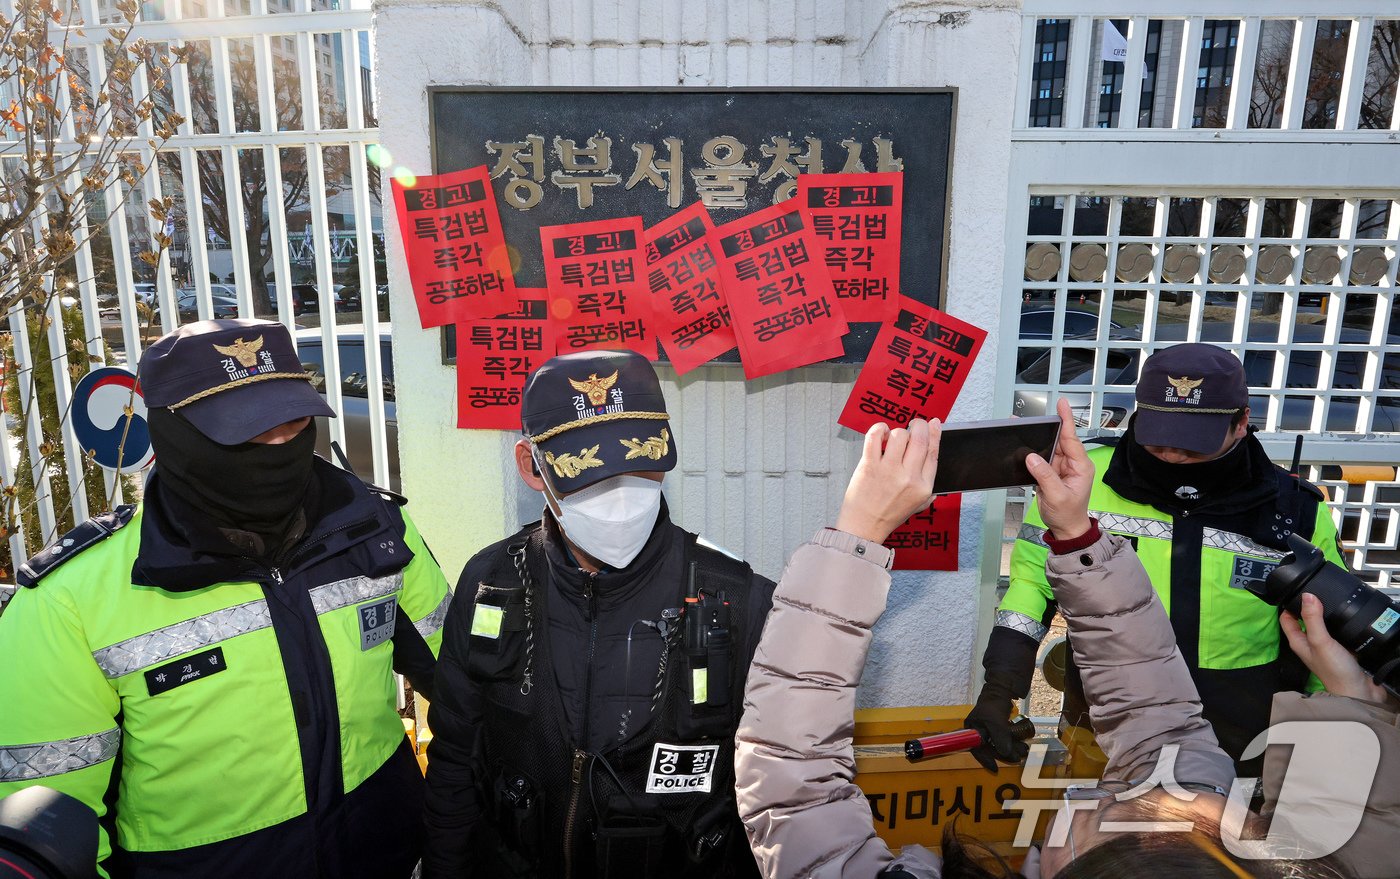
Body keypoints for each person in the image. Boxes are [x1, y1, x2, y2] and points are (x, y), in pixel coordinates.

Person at [734, 400, 1399, 878]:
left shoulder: (1293, 502)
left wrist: (859, 531)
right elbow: (1163, 729)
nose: (1093, 801)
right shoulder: (1327, 861)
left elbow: (792, 787)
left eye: (1097, 817)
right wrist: (1076, 538)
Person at [0, 319, 451, 878]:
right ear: (172, 436)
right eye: (247, 431)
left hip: (388, 856)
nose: (281, 445)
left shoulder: (377, 532)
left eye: (294, 419)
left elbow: (466, 687)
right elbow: (43, 829)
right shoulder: (67, 603)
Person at [422, 349, 776, 879]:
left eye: (638, 458)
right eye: (587, 465)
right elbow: (454, 759)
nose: (619, 488)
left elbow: (778, 790)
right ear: (531, 467)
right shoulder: (490, 583)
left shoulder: (738, 600)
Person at [970, 343, 1345, 774]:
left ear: (1241, 423)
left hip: (1245, 734)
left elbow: (1324, 630)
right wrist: (1000, 687)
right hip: (1105, 720)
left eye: (1191, 445)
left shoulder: (1295, 510)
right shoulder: (1080, 483)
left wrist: (1326, 725)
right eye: (1159, 438)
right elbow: (1033, 587)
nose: (1172, 455)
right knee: (1100, 838)